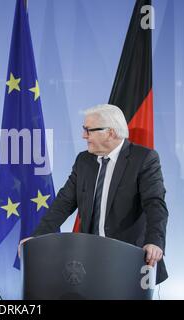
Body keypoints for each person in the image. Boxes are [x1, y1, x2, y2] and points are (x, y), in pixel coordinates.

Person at [21, 104, 168, 284]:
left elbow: (155, 204)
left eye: (88, 130)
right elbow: (63, 203)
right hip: (91, 259)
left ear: (110, 133)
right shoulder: (84, 160)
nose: (84, 135)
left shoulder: (144, 159)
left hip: (132, 259)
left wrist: (155, 242)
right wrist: (38, 237)